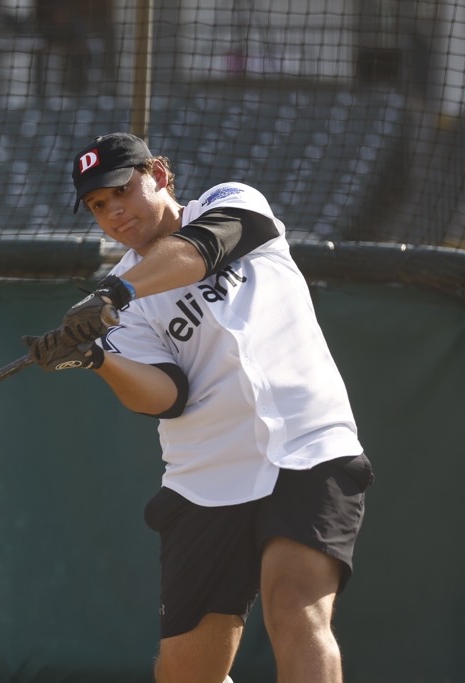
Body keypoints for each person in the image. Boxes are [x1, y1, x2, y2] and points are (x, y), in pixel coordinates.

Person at [24, 132, 374, 683]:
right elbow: (167, 396)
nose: (113, 211)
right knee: (187, 673)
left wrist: (113, 298)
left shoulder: (230, 202)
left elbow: (198, 251)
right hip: (207, 479)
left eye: (122, 190)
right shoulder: (120, 298)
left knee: (297, 611)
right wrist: (96, 359)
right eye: (97, 205)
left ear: (159, 174)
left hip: (309, 448)